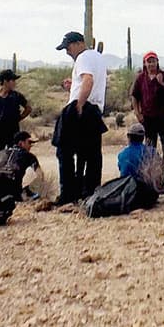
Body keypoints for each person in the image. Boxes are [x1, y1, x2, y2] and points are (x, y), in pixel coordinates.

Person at [55, 31, 108, 205]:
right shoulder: (98, 58)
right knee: (92, 154)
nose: (67, 52)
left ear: (78, 43)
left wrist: (79, 103)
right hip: (95, 110)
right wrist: (74, 87)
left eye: (68, 47)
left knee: (64, 150)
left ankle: (68, 194)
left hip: (82, 108)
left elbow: (88, 80)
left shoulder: (83, 58)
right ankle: (91, 193)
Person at [131, 52, 164, 188]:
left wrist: (161, 83)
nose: (151, 64)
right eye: (149, 61)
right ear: (145, 63)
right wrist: (137, 113)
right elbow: (134, 96)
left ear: (157, 62)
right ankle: (150, 177)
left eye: (153, 61)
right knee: (150, 148)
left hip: (163, 117)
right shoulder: (141, 78)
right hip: (148, 118)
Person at [0, 69, 31, 171]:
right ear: (5, 81)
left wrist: (19, 118)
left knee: (14, 157)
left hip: (13, 132)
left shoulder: (16, 95)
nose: (14, 83)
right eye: (12, 80)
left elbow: (28, 108)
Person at [0, 130, 42, 199]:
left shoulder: (1, 153)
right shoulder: (29, 156)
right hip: (14, 192)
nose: (30, 146)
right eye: (29, 142)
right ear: (20, 143)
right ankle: (27, 194)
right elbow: (39, 174)